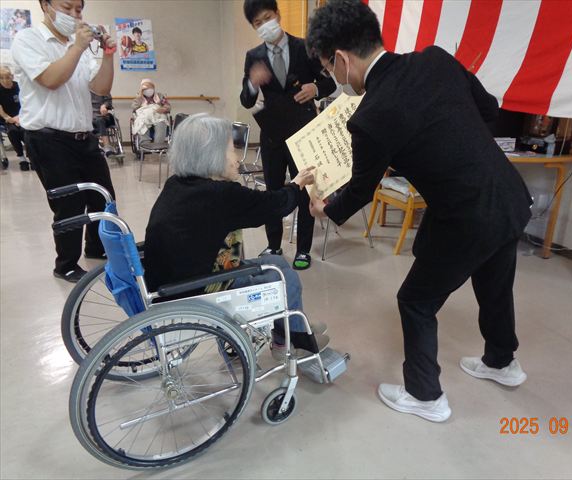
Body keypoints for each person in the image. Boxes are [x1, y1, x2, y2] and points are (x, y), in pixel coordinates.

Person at [307, 0, 533, 422]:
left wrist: (324, 208)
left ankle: (425, 396)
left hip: (466, 214)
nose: (334, 77)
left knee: (415, 300)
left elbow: (360, 191)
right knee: (495, 283)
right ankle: (503, 362)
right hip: (509, 197)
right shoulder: (436, 59)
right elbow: (488, 110)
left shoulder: (370, 116)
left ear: (341, 58)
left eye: (328, 68)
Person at [143, 113, 328, 356]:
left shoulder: (177, 184)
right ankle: (294, 340)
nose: (239, 158)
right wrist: (297, 184)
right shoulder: (220, 194)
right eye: (232, 150)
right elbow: (273, 205)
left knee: (276, 260)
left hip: (174, 279)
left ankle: (291, 327)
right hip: (198, 288)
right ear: (211, 155)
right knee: (286, 278)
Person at [11, 0, 117, 283]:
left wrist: (108, 56)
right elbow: (50, 79)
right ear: (45, 5)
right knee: (69, 204)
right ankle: (66, 264)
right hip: (48, 138)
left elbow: (100, 88)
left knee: (103, 196)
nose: (74, 15)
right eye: (66, 7)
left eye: (78, 10)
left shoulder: (76, 43)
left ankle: (96, 247)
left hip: (84, 136)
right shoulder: (28, 39)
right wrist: (78, 47)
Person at [240, 0, 336, 270]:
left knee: (305, 191)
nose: (264, 25)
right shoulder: (253, 55)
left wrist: (315, 89)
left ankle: (303, 249)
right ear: (254, 27)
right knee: (272, 191)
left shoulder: (305, 47)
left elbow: (330, 81)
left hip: (305, 134)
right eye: (258, 23)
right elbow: (246, 100)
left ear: (278, 15)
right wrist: (252, 83)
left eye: (267, 18)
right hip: (271, 135)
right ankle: (273, 245)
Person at [0, 66, 30, 170]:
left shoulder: (19, 86)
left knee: (27, 132)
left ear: (12, 76)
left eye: (7, 77)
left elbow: (26, 103)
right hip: (7, 119)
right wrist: (10, 119)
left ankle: (31, 157)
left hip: (23, 116)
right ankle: (22, 159)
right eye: (1, 78)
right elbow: (1, 110)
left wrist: (20, 117)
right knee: (13, 132)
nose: (5, 80)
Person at [131, 78, 170, 146]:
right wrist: (140, 98)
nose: (148, 90)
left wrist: (164, 108)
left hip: (158, 115)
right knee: (142, 123)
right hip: (144, 116)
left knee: (161, 122)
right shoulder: (138, 97)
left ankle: (158, 145)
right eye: (145, 89)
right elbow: (134, 108)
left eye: (150, 87)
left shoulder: (160, 96)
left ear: (153, 88)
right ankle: (145, 144)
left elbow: (167, 106)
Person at [90, 91, 115, 156]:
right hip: (89, 117)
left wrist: (104, 105)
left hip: (102, 116)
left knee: (99, 120)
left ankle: (107, 147)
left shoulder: (102, 88)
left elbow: (109, 101)